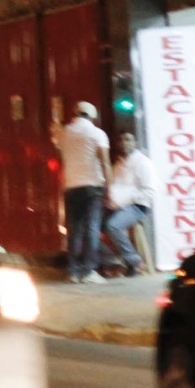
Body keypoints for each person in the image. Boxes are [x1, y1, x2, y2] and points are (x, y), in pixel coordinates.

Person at [56, 101, 112, 284]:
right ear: (92, 116)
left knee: (74, 230)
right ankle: (89, 271)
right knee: (91, 228)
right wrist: (109, 188)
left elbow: (61, 158)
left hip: (71, 186)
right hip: (93, 187)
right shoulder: (97, 134)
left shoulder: (64, 134)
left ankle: (72, 271)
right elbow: (105, 162)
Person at [105, 132, 158, 276]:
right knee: (92, 225)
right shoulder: (118, 164)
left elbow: (150, 191)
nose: (124, 143)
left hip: (137, 206)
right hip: (118, 205)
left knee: (113, 225)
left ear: (135, 142)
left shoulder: (142, 162)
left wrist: (127, 199)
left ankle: (134, 261)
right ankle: (112, 261)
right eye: (121, 140)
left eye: (128, 139)